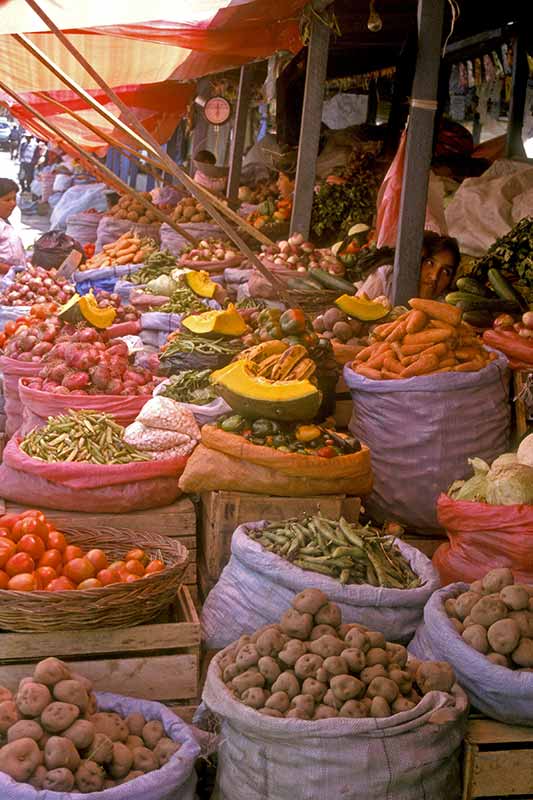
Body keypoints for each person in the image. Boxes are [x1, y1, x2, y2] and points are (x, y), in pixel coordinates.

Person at [356, 231, 461, 301]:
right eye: (430, 263)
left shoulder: (445, 305)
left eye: (446, 271)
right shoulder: (386, 276)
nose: (434, 276)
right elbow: (354, 315)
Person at [0, 178, 26, 274]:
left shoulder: (4, 222)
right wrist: (12, 270)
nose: (13, 203)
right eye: (7, 200)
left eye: (14, 199)